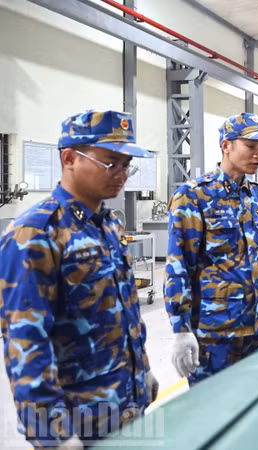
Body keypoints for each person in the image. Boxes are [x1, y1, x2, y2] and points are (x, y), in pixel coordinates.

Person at [0, 110, 158, 447]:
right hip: (79, 419)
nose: (121, 174)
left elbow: (125, 311)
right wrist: (53, 435)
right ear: (69, 158)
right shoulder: (34, 234)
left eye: (126, 165)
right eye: (110, 163)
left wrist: (142, 371)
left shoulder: (109, 225)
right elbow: (26, 342)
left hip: (126, 405)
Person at [164, 112, 258, 386]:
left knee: (257, 402)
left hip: (257, 331)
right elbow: (179, 267)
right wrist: (181, 328)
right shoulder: (193, 196)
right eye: (250, 146)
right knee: (212, 406)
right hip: (215, 334)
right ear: (226, 145)